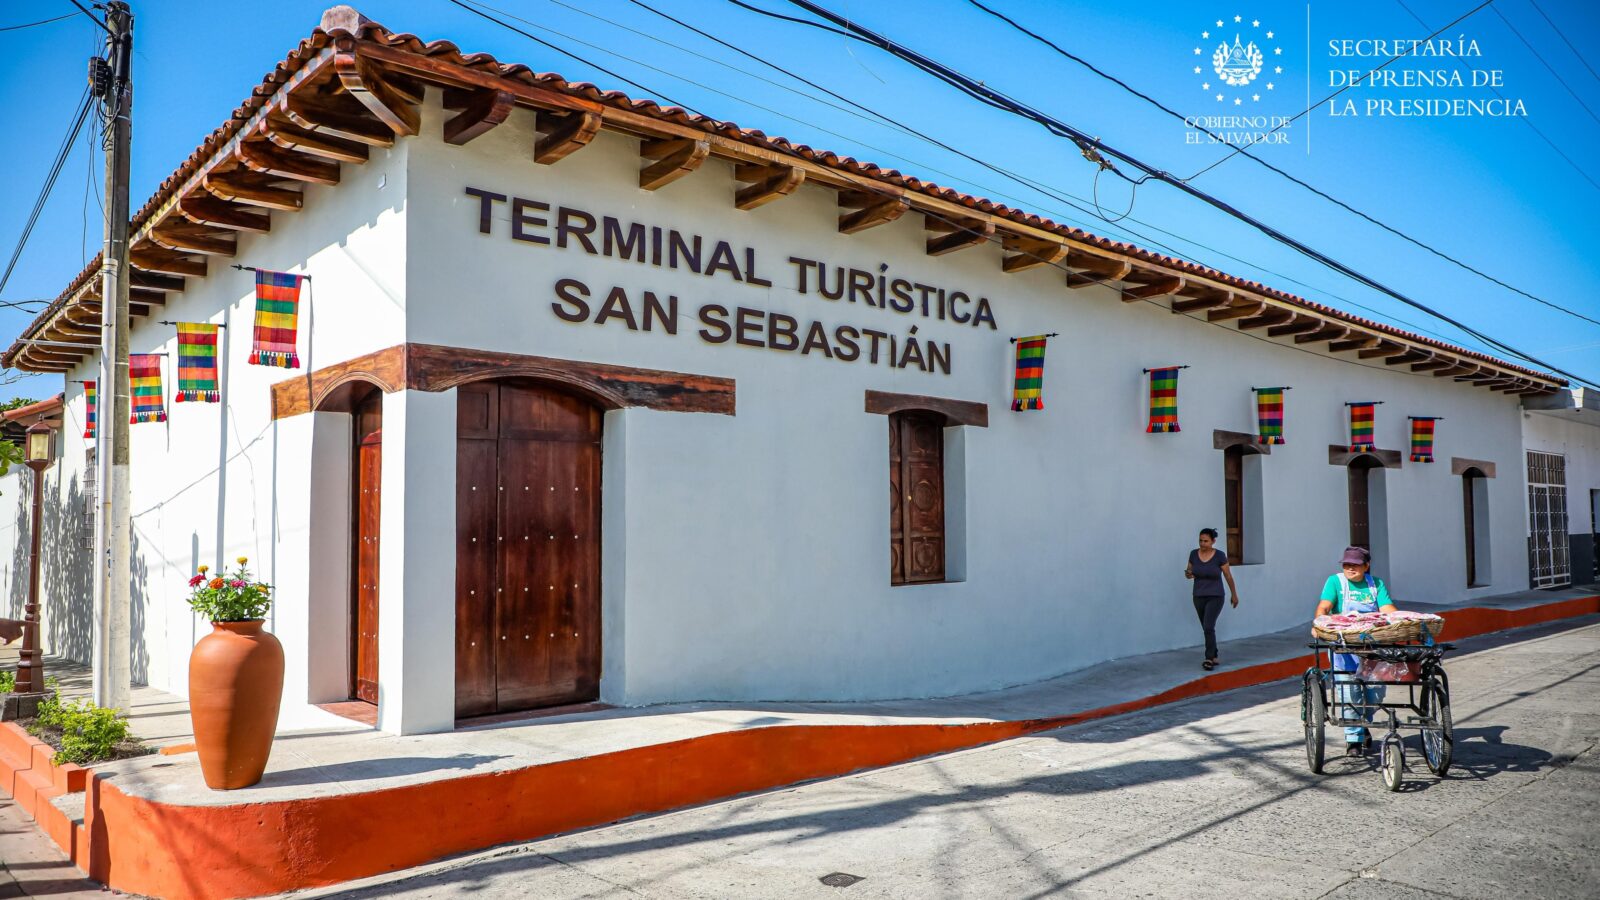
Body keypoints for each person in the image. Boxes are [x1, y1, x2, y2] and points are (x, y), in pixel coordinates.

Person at [1315, 546, 1397, 757]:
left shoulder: (1375, 583)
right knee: (1349, 691)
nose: (1350, 568)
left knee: (1375, 691)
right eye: (1346, 564)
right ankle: (1353, 738)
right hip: (1345, 646)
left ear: (1366, 566)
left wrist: (1401, 620)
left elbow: (1387, 608)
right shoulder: (1335, 582)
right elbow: (1324, 606)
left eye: (1355, 565)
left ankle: (1363, 723)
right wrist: (1320, 621)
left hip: (1372, 647)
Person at [1184, 528, 1238, 671]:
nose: (1203, 543)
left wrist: (1234, 594)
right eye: (1201, 540)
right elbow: (1189, 571)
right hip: (1198, 595)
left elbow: (1228, 576)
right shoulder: (1193, 554)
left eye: (1206, 541)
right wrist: (1188, 574)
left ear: (1213, 541)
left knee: (1208, 626)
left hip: (1216, 596)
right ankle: (1214, 653)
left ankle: (1209, 658)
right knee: (1206, 628)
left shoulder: (1220, 556)